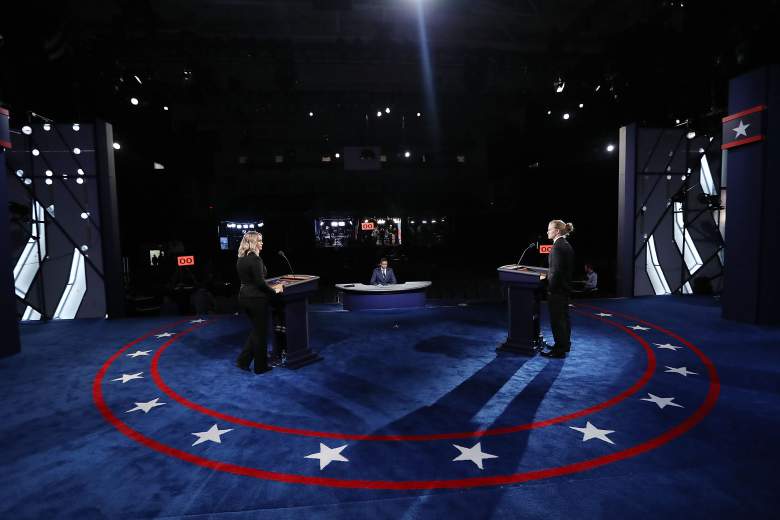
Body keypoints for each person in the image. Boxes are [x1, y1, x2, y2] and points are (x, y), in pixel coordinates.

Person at [235, 231, 283, 374]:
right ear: (253, 242)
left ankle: (243, 361)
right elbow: (260, 284)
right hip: (256, 299)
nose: (262, 243)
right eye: (259, 241)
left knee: (256, 330)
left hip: (244, 297)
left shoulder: (241, 259)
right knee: (260, 333)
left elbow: (252, 281)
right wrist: (274, 291)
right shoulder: (255, 260)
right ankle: (260, 367)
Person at [541, 220, 575, 359]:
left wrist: (549, 288)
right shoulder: (566, 245)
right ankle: (564, 345)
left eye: (549, 229)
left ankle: (559, 349)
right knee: (564, 319)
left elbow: (555, 272)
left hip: (557, 291)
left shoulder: (557, 247)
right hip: (565, 289)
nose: (547, 232)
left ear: (557, 231)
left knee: (557, 321)